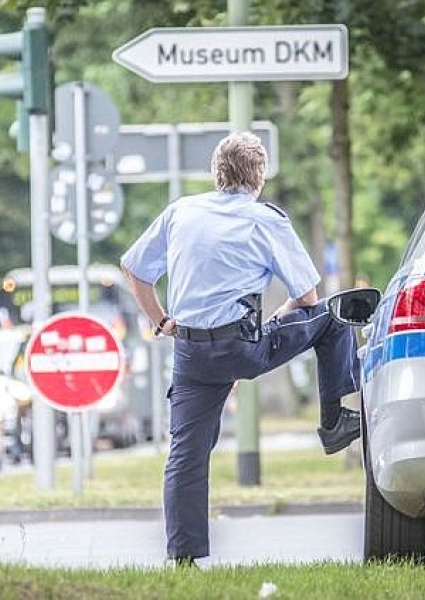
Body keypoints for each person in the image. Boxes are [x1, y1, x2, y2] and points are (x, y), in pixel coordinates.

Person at [120, 131, 361, 566]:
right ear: (260, 177)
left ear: (216, 174)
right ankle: (333, 423)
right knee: (334, 314)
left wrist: (161, 322)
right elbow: (307, 297)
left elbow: (134, 270)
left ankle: (183, 557)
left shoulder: (180, 212)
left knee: (186, 453)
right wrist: (278, 321)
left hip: (190, 353)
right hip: (244, 347)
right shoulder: (264, 218)